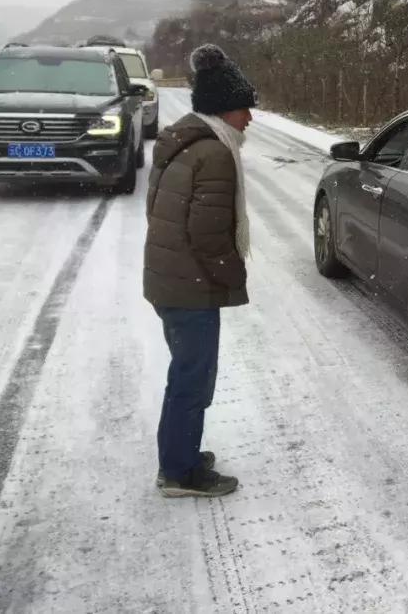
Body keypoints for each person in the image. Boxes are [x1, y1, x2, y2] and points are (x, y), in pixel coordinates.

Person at [143, 44, 257, 498]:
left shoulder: (182, 141)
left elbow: (159, 211)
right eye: (244, 108)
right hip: (189, 287)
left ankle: (179, 456)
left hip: (169, 279)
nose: (250, 118)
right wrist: (232, 276)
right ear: (224, 109)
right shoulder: (214, 153)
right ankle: (179, 472)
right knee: (193, 380)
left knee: (185, 374)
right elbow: (208, 235)